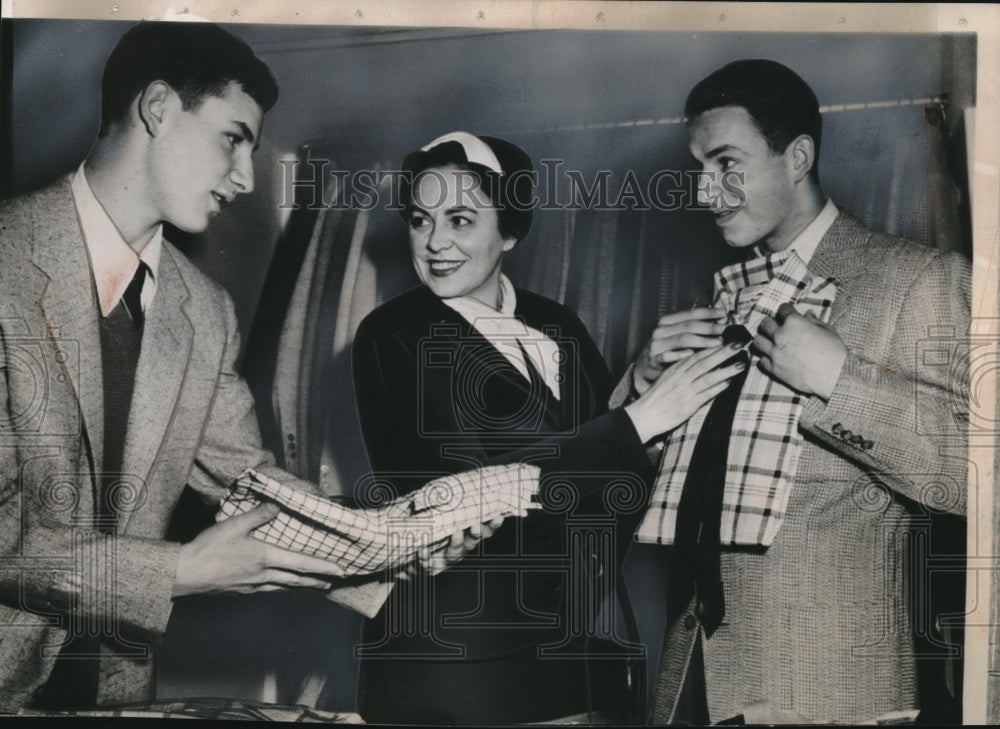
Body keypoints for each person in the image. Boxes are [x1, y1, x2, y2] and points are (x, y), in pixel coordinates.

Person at [0, 21, 354, 711]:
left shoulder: (205, 310)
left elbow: (252, 484)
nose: (248, 178)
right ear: (158, 109)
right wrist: (185, 570)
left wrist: (397, 543)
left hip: (120, 696)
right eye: (234, 137)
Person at [616, 59, 970, 724]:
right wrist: (640, 383)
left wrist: (841, 383)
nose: (705, 192)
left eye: (726, 163)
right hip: (691, 683)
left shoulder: (916, 281)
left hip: (831, 689)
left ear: (798, 156)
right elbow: (644, 484)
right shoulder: (715, 299)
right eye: (698, 168)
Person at [350, 131, 745, 725]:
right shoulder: (391, 335)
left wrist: (639, 386)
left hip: (563, 649)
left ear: (509, 230)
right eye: (419, 220)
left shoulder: (555, 322)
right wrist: (640, 418)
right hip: (448, 656)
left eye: (460, 220)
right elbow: (461, 492)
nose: (434, 243)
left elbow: (607, 480)